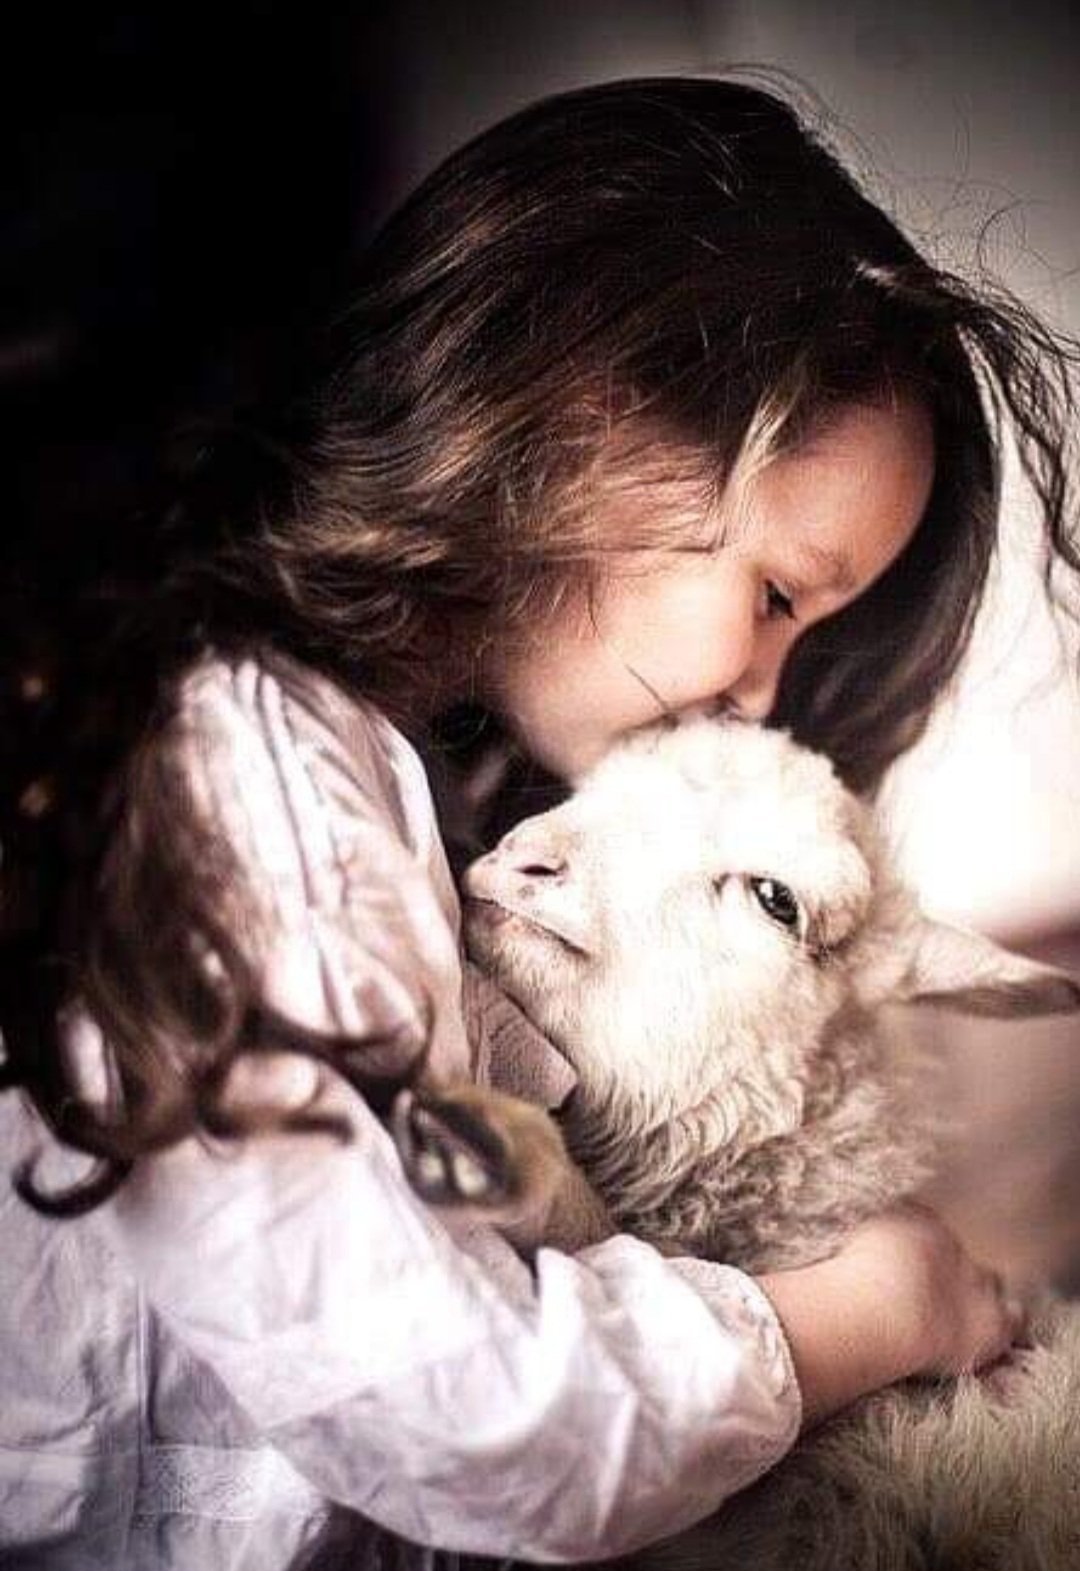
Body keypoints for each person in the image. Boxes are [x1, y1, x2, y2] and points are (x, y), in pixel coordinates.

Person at [1, 74, 1076, 1569]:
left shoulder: (397, 794)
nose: (763, 696)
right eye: (775, 595)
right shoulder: (253, 784)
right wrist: (860, 1315)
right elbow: (466, 1419)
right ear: (580, 433)